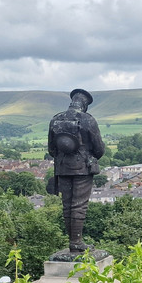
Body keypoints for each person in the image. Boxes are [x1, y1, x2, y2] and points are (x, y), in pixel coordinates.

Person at [47, 88, 105, 252]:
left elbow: (51, 149)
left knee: (67, 205)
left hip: (62, 167)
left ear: (72, 101)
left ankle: (72, 241)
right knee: (79, 205)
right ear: (85, 104)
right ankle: (76, 242)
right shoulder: (88, 120)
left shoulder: (55, 119)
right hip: (82, 168)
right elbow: (99, 149)